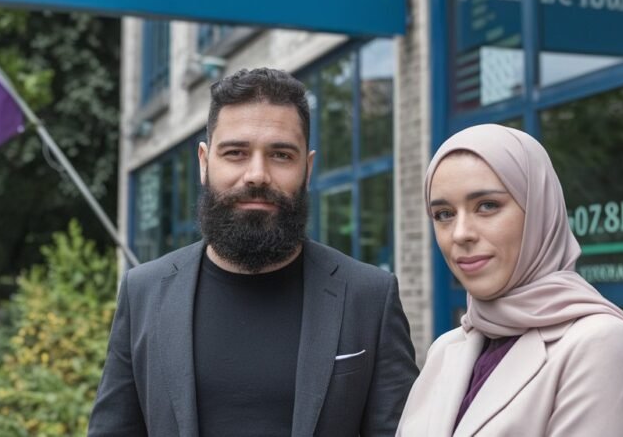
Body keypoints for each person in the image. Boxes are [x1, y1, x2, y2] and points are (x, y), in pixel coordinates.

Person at [88, 68, 419, 437]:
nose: (257, 175)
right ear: (204, 162)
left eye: (280, 155)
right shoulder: (143, 292)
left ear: (307, 169)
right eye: (235, 153)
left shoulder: (370, 296)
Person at [397, 124, 623, 436]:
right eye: (443, 214)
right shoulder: (445, 350)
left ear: (538, 212)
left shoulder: (604, 345)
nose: (461, 233)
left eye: (487, 206)